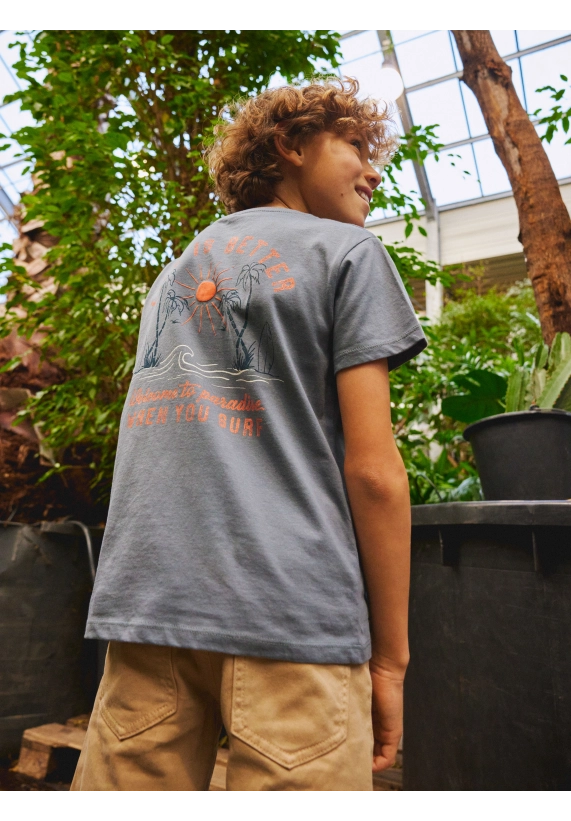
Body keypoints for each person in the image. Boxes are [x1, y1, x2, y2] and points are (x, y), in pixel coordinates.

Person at [71, 77, 427, 792]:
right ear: (290, 144)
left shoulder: (172, 277)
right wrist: (390, 660)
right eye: (356, 147)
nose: (374, 171)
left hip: (149, 613)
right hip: (291, 614)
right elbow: (375, 473)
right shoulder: (347, 254)